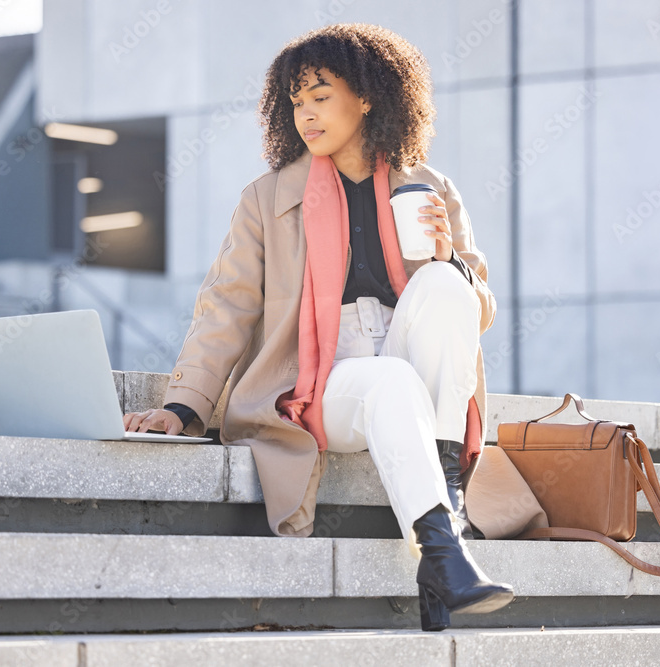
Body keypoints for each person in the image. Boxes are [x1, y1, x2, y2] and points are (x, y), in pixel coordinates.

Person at [123, 23, 513, 630]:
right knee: (388, 382)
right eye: (295, 101)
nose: (305, 113)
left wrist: (447, 260)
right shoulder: (266, 198)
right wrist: (184, 405)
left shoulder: (430, 188)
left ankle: (443, 537)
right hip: (313, 379)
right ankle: (447, 541)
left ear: (367, 96)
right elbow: (226, 307)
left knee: (443, 287)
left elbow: (477, 310)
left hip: (416, 361)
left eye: (320, 96)